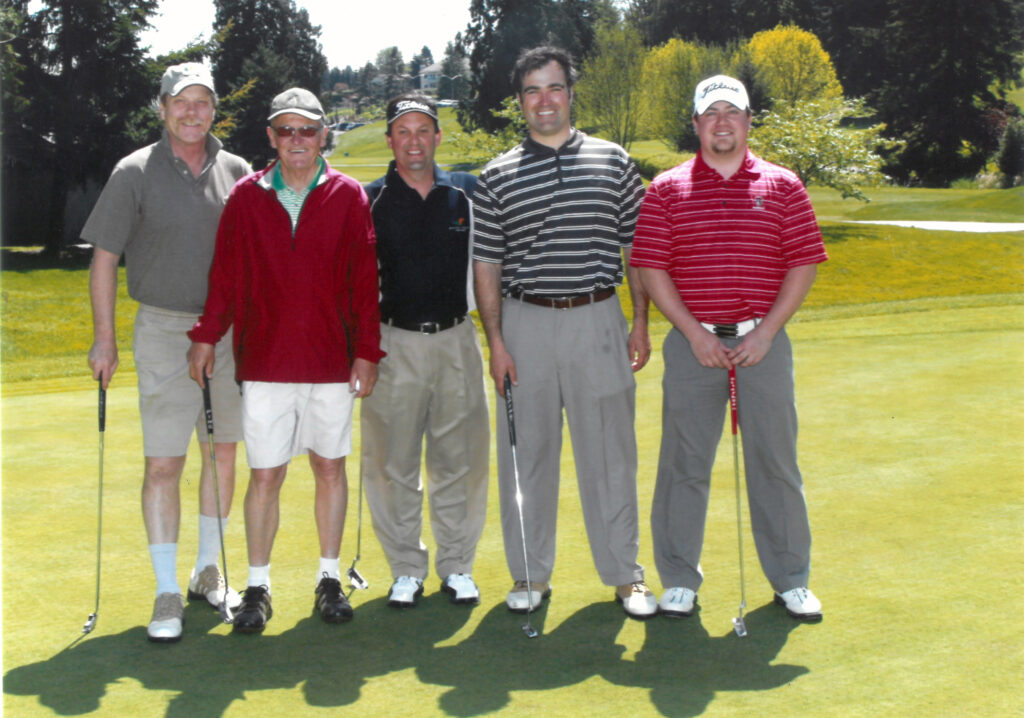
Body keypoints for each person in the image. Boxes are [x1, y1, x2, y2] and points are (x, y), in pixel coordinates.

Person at [630, 75, 828, 621]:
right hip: (694, 345)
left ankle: (791, 578)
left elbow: (803, 263)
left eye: (732, 112)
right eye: (710, 112)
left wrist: (766, 332)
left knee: (775, 462)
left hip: (763, 340)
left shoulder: (783, 185)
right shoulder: (667, 189)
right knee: (683, 464)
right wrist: (693, 332)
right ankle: (677, 579)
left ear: (747, 121)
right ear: (695, 124)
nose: (722, 122)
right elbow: (650, 267)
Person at [187, 87, 383, 634]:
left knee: (329, 467)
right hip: (266, 360)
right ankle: (257, 586)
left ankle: (327, 578)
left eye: (307, 130)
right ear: (272, 138)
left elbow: (365, 281)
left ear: (324, 135)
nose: (297, 140)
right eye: (286, 130)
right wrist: (206, 335)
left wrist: (367, 351)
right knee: (266, 474)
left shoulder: (348, 196)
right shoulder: (247, 197)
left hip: (330, 360)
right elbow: (224, 276)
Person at [472, 46, 657, 619]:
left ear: (571, 94)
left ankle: (626, 576)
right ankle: (529, 574)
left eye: (554, 88)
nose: (544, 101)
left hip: (598, 318)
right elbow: (487, 267)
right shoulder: (496, 175)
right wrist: (496, 343)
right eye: (532, 91)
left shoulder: (614, 161)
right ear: (520, 101)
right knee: (525, 456)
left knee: (610, 455)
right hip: (524, 324)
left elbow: (638, 250)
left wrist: (641, 321)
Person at [83, 62, 251, 643]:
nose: (192, 111)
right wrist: (105, 339)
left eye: (203, 101)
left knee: (222, 455)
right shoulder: (133, 171)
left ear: (213, 109)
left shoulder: (237, 171)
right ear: (162, 108)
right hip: (161, 329)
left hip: (226, 334)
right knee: (164, 463)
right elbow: (104, 258)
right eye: (182, 101)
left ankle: (208, 571)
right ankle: (165, 590)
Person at [362, 93, 489, 608]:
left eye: (423, 131)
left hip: (457, 338)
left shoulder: (466, 194)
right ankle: (406, 568)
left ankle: (456, 565)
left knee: (459, 460)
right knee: (393, 464)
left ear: (438, 137)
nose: (414, 141)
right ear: (390, 140)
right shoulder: (368, 199)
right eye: (403, 132)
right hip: (394, 342)